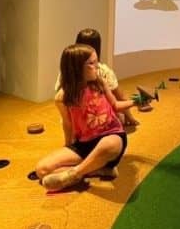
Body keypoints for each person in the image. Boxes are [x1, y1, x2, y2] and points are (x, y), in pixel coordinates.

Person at [36, 43, 140, 190]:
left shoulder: (99, 83)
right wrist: (68, 146)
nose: (97, 66)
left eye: (96, 61)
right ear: (76, 68)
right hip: (84, 144)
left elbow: (115, 105)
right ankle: (96, 169)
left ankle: (74, 174)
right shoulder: (62, 97)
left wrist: (135, 102)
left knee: (110, 145)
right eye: (91, 63)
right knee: (42, 170)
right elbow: (68, 125)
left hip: (111, 135)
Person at [55, 28, 139, 128]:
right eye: (90, 64)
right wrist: (130, 117)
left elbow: (61, 98)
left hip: (82, 120)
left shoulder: (67, 72)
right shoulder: (103, 71)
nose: (93, 67)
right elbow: (119, 97)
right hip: (93, 120)